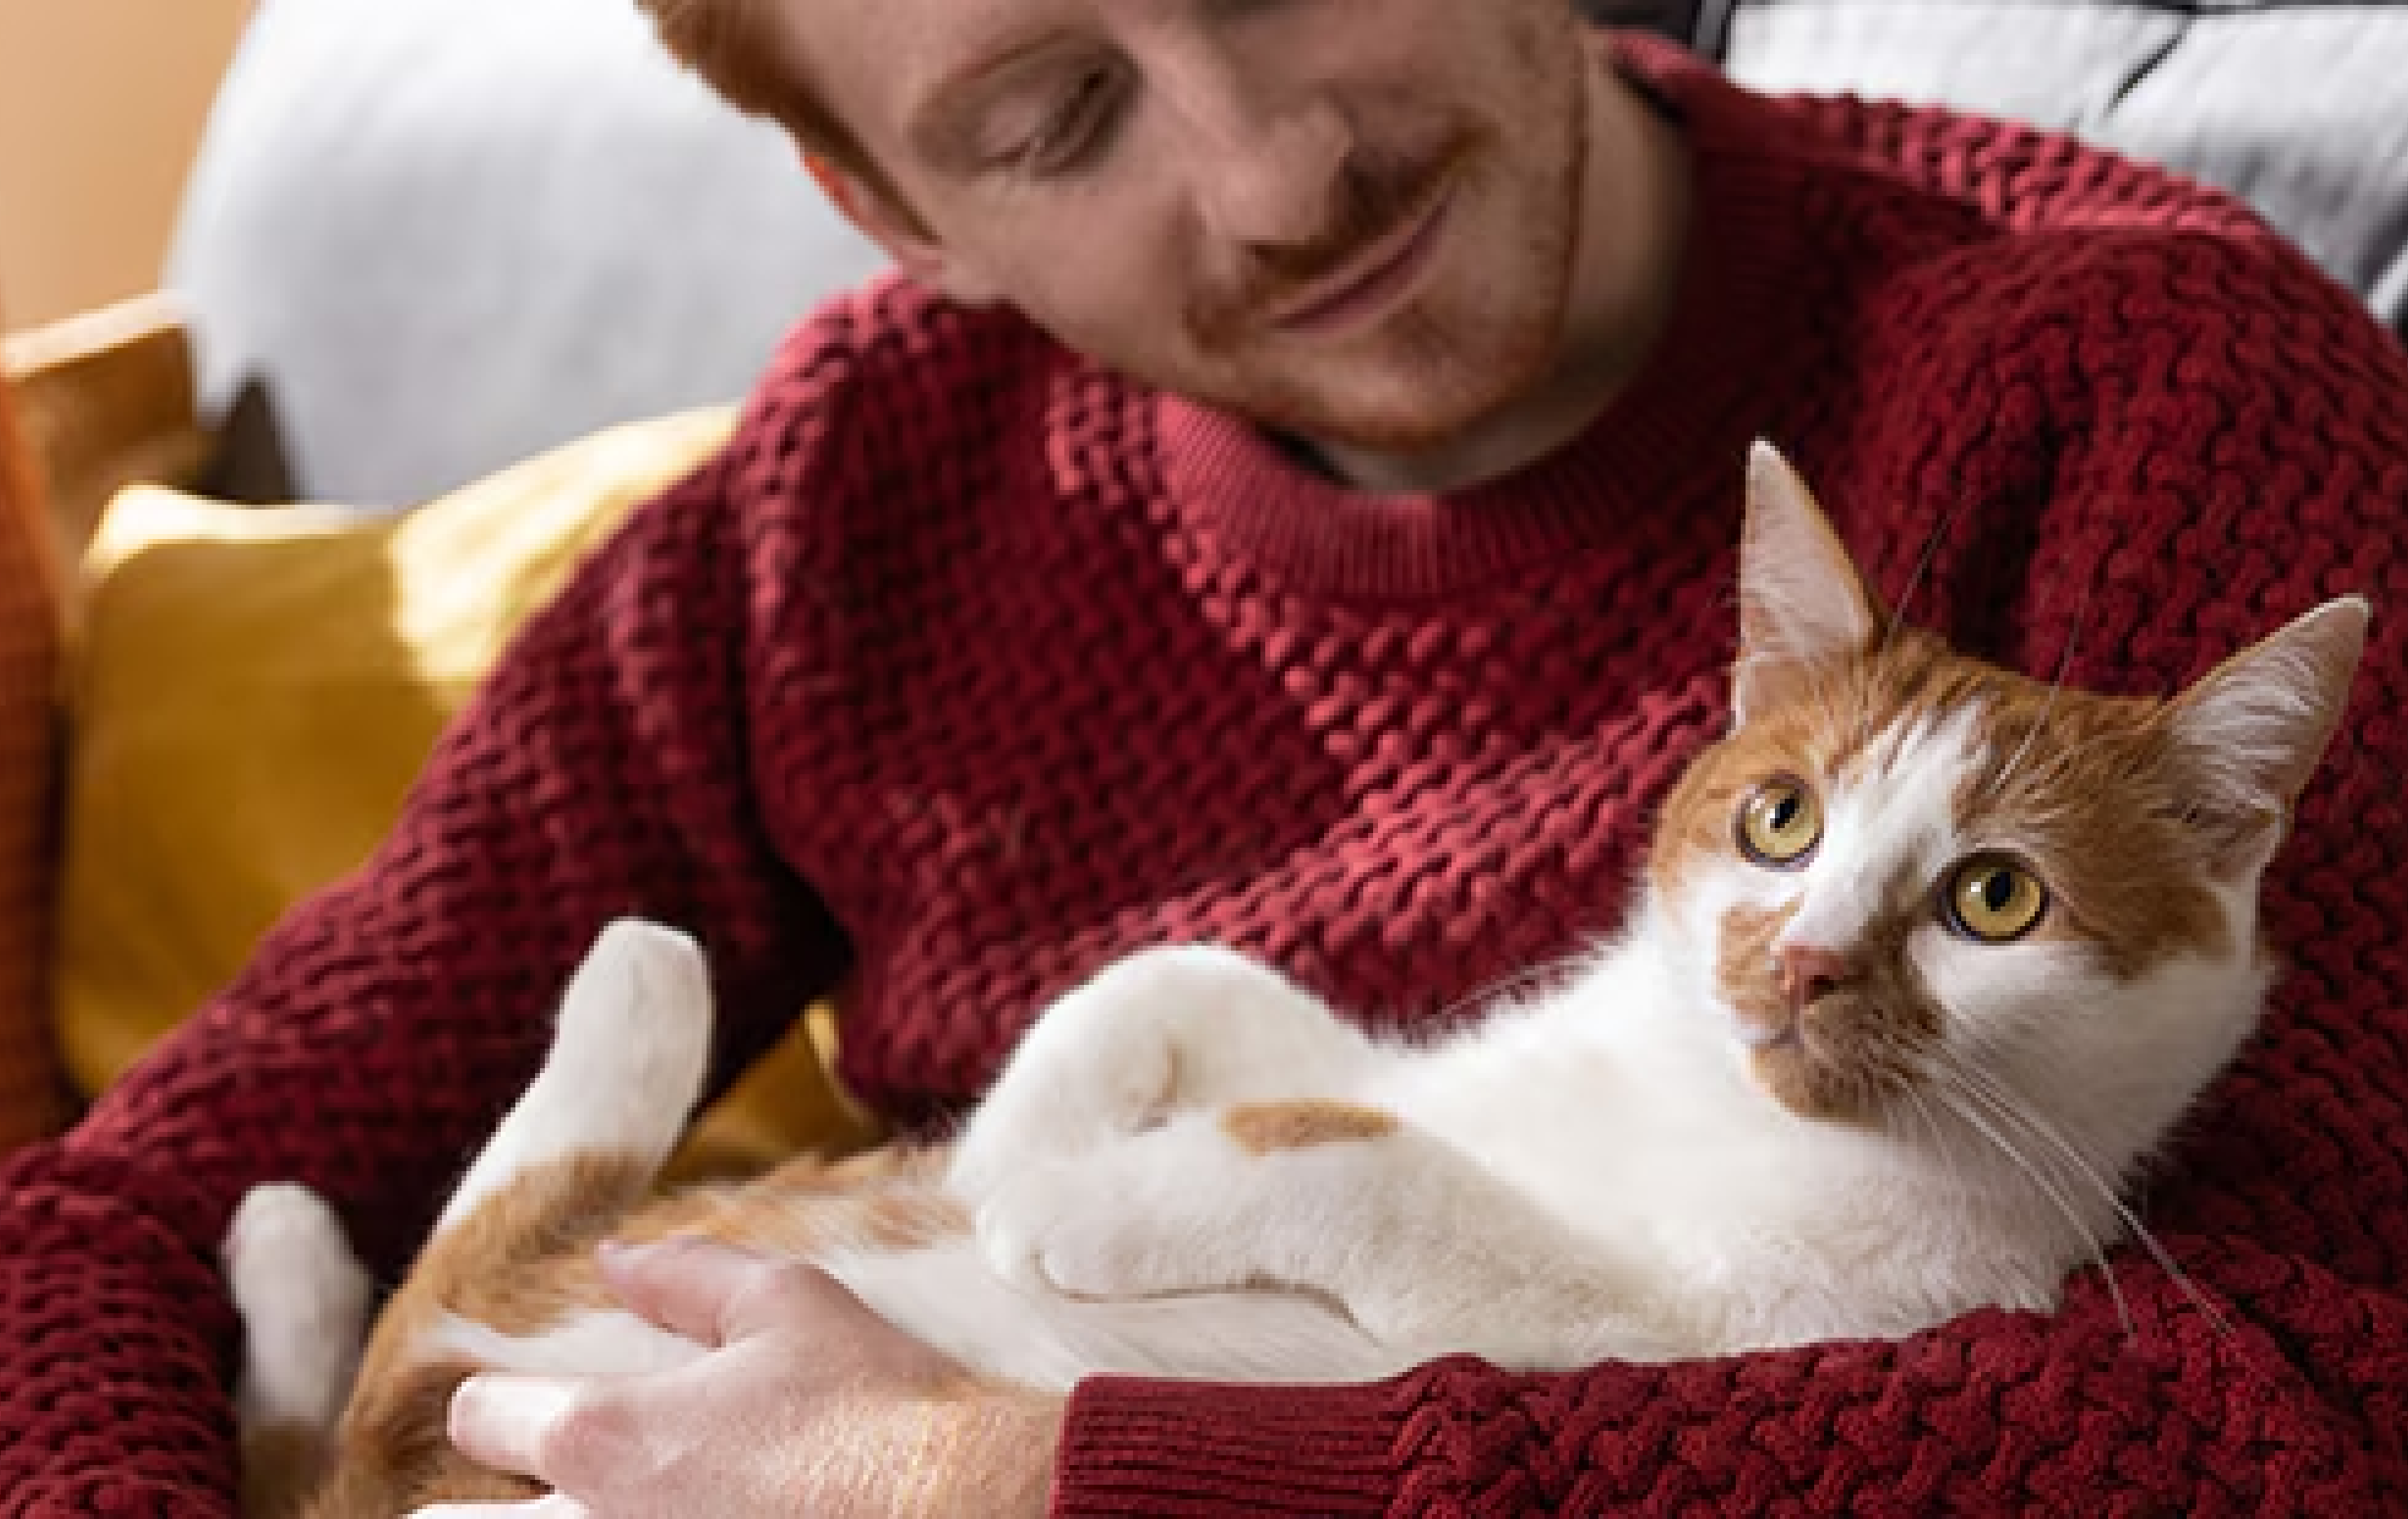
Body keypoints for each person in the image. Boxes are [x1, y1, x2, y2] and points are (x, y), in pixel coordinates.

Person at [6, 0, 2407, 1511]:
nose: (1277, 173)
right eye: (1058, 113)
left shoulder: (2148, 390)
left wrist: (1023, 1473)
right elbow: (116, 1211)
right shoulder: (849, 504)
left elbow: (2311, 1410)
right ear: (888, 209)